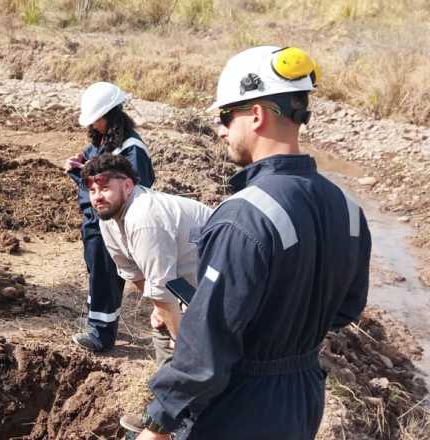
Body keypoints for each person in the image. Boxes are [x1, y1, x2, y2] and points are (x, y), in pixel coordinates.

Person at [129, 46, 371, 440]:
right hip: (303, 398)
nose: (222, 129)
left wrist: (158, 422)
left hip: (240, 406)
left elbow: (205, 350)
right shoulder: (348, 209)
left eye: (226, 116)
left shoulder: (245, 215)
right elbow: (346, 309)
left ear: (255, 115)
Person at [82, 154, 213, 365]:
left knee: (197, 354)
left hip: (223, 279)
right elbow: (133, 270)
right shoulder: (109, 218)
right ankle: (173, 388)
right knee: (163, 327)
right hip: (186, 282)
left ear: (127, 185)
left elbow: (161, 287)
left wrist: (182, 341)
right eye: (92, 190)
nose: (97, 197)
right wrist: (159, 309)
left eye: (105, 188)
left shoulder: (143, 217)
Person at [65, 82, 155, 352]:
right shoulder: (103, 142)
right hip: (96, 221)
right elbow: (93, 167)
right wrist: (78, 166)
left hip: (112, 223)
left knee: (106, 275)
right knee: (98, 274)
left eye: (96, 120)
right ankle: (101, 324)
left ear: (110, 116)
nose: (92, 125)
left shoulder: (131, 149)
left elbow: (137, 189)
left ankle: (101, 336)